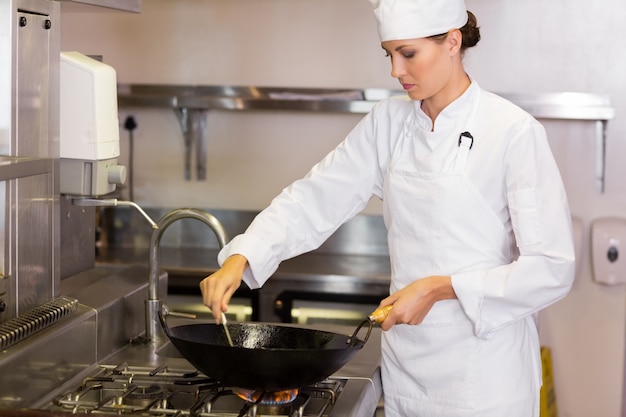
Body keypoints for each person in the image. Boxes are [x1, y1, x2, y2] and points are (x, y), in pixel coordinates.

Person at [199, 0, 576, 415]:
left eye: (408, 54)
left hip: (485, 378)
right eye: (389, 54)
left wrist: (439, 287)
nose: (395, 71)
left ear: (453, 42)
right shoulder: (389, 123)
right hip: (408, 371)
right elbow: (316, 196)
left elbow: (551, 268)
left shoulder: (512, 132)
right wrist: (243, 253)